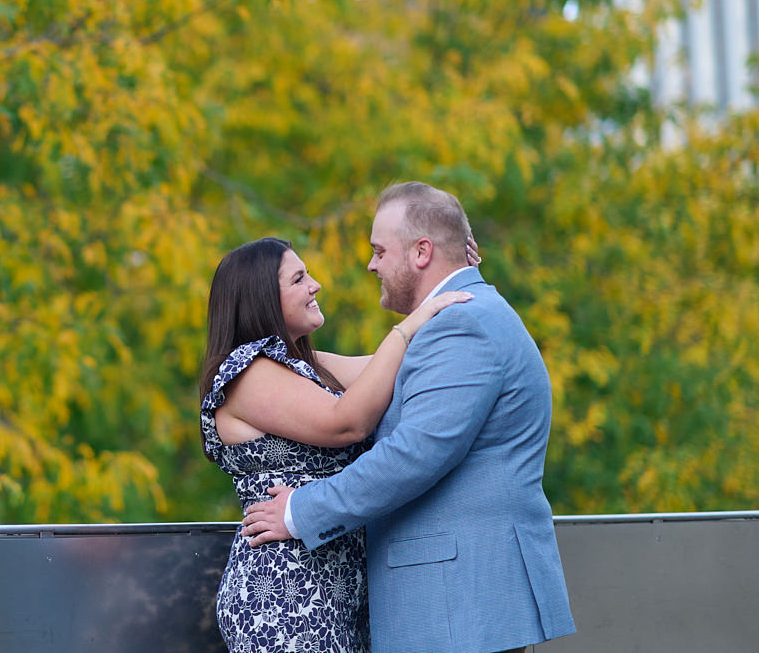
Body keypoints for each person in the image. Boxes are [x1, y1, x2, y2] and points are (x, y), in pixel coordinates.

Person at [240, 182, 577, 653]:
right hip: (455, 605)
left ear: (421, 252)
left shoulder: (462, 324)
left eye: (380, 251)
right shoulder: (460, 317)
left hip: (458, 607)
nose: (371, 264)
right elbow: (357, 375)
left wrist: (300, 511)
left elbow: (413, 455)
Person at [200, 236, 475, 652]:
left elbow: (405, 369)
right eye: (299, 278)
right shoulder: (247, 374)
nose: (316, 285)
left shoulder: (306, 366)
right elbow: (345, 423)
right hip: (285, 597)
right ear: (262, 299)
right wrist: (407, 325)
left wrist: (458, 275)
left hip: (336, 592)